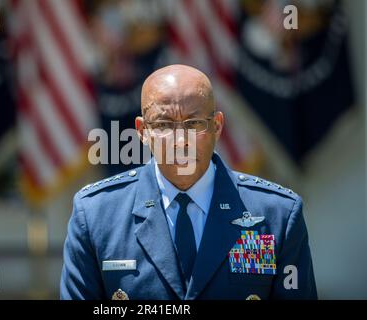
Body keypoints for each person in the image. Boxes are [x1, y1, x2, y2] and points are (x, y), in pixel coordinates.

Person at [60, 64, 317, 300]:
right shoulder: (96, 216)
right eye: (164, 124)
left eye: (194, 124)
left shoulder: (277, 215)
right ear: (142, 132)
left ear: (217, 126)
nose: (180, 140)